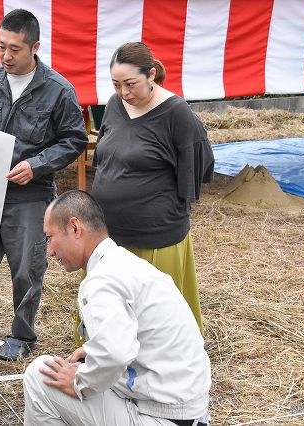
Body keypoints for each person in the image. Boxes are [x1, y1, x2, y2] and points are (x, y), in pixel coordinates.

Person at [0, 9, 88, 361]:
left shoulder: (58, 90)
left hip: (30, 193)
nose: (6, 56)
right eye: (1, 46)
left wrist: (37, 164)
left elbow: (74, 139)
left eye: (15, 49)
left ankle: (22, 334)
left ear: (35, 47)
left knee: (27, 267)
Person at [23, 190, 211, 426]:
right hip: (187, 412)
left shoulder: (102, 280)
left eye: (50, 237)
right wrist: (94, 350)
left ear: (74, 228)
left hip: (162, 417)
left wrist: (80, 381)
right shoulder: (124, 263)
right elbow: (133, 337)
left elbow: (115, 353)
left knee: (40, 375)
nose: (50, 250)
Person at [91, 42, 214, 332]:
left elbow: (199, 164)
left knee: (156, 319)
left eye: (131, 84)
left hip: (156, 236)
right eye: (116, 84)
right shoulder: (114, 104)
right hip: (109, 233)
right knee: (113, 311)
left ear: (152, 74)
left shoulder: (177, 113)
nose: (124, 92)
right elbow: (106, 154)